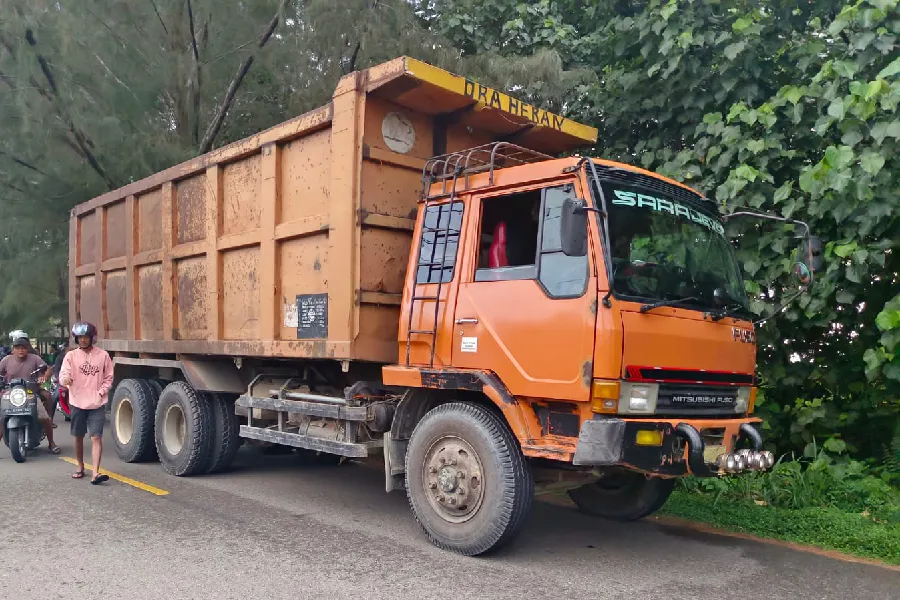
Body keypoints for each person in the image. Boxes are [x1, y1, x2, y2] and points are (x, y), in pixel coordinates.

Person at [59, 322, 113, 484]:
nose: (83, 340)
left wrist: (101, 392)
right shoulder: (71, 356)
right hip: (77, 401)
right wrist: (65, 379)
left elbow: (108, 378)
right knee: (78, 436)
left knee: (96, 437)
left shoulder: (103, 355)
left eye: (86, 337)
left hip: (96, 403)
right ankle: (80, 466)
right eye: (80, 337)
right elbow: (64, 374)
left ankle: (95, 472)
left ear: (92, 338)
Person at [0, 336, 61, 454]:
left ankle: (51, 443)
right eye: (18, 348)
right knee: (2, 417)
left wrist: (44, 377)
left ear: (28, 349)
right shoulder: (7, 360)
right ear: (13, 350)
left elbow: (47, 369)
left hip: (30, 393)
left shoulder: (35, 358)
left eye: (23, 348)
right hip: (12, 394)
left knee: (44, 417)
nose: (21, 350)